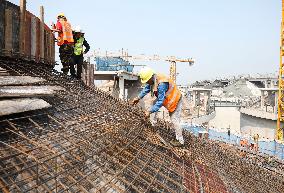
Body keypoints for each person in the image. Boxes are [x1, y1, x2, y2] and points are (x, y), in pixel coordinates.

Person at [131, 67, 184, 147]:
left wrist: (149, 111)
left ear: (150, 77)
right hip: (166, 99)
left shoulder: (161, 84)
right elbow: (147, 89)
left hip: (175, 100)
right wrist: (138, 98)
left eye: (147, 81)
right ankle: (153, 124)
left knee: (174, 119)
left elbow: (160, 102)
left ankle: (180, 140)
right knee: (153, 104)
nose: (147, 83)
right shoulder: (153, 79)